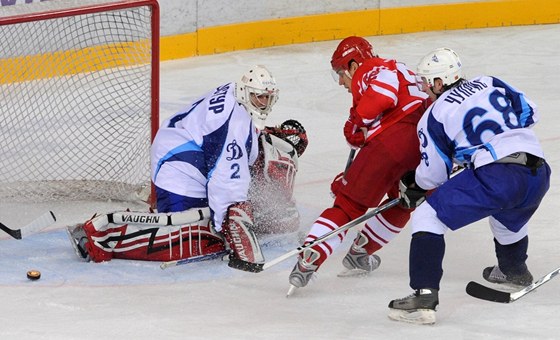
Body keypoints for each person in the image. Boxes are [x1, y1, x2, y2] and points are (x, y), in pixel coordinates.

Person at [67, 65, 308, 265]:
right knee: (195, 238)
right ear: (246, 92)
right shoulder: (233, 124)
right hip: (178, 164)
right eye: (259, 97)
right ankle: (104, 234)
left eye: (268, 98)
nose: (263, 103)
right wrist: (228, 220)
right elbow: (225, 180)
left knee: (261, 161)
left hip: (185, 147)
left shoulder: (237, 99)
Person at [388, 48, 550, 325]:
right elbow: (530, 113)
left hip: (498, 174)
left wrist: (417, 183)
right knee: (507, 213)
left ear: (439, 83)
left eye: (427, 82)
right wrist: (477, 150)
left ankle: (424, 297)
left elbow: (432, 177)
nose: (425, 88)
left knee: (428, 216)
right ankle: (514, 271)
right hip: (538, 172)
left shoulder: (434, 114)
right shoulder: (489, 81)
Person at [287, 36, 429, 292]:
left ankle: (311, 255)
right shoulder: (406, 70)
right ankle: (360, 252)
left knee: (349, 205)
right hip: (423, 147)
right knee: (404, 200)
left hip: (391, 143)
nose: (341, 81)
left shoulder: (373, 68)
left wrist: (357, 120)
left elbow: (382, 97)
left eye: (341, 73)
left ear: (353, 64)